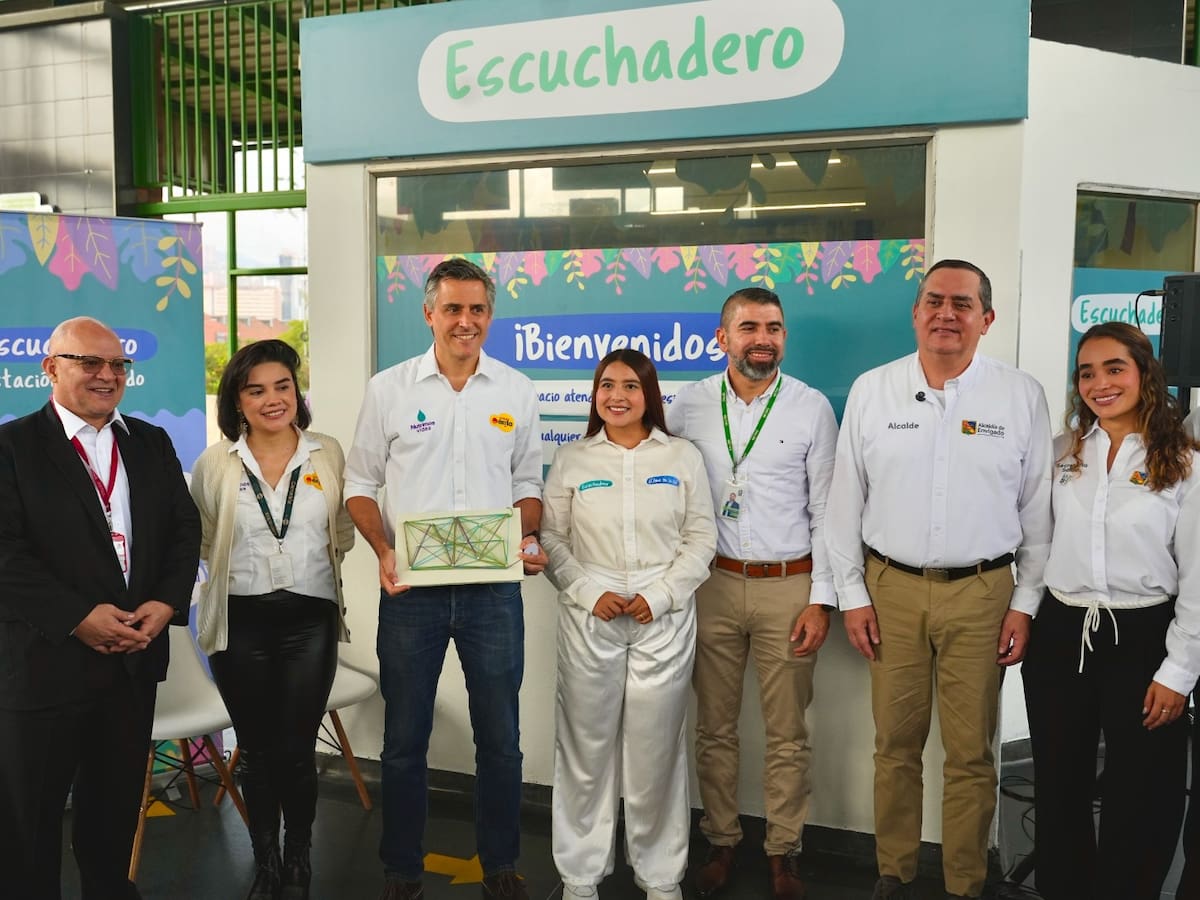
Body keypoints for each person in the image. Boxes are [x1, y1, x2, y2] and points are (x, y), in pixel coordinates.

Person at [826, 259, 1053, 900]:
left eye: (961, 303)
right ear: (916, 312)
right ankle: (893, 874)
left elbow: (1037, 511)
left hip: (985, 593)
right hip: (890, 589)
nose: (946, 314)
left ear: (987, 318)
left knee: (971, 753)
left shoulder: (1020, 395)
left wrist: (1025, 604)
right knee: (894, 744)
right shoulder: (874, 390)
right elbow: (845, 503)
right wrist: (852, 596)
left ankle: (965, 883)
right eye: (933, 301)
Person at [344, 257, 548, 900]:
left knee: (503, 741)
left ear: (491, 315)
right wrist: (381, 548)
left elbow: (527, 486)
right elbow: (359, 484)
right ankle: (402, 869)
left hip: (494, 595)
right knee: (405, 738)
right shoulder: (389, 390)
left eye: (478, 309)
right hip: (412, 595)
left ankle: (501, 865)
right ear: (429, 313)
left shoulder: (516, 390)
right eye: (453, 309)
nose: (466, 321)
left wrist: (526, 535)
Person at [0, 316, 200, 900]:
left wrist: (165, 602)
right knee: (27, 824)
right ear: (51, 368)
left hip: (132, 663)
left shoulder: (150, 442)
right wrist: (77, 616)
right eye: (91, 363)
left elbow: (184, 531)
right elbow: (5, 553)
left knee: (112, 814)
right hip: (43, 667)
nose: (107, 375)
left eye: (118, 365)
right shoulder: (12, 448)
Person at [666, 286, 838, 900]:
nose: (762, 339)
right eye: (748, 328)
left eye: (773, 327)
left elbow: (827, 512)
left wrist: (821, 600)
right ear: (723, 338)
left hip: (787, 587)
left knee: (788, 730)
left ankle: (783, 849)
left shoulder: (811, 407)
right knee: (713, 726)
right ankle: (722, 839)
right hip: (710, 584)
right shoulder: (688, 406)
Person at [1023, 322, 1198, 900]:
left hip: (1146, 632)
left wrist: (1177, 673)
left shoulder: (1185, 461)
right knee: (1058, 779)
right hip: (1063, 630)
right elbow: (1038, 544)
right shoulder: (1062, 452)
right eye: (1087, 372)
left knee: (1143, 788)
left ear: (1145, 373)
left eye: (1114, 368)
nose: (1099, 382)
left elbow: (1198, 578)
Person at [541, 349, 717, 900]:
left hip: (662, 617)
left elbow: (701, 537)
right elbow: (550, 540)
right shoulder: (573, 460)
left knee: (655, 747)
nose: (617, 396)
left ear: (650, 394)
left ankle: (660, 876)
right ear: (595, 394)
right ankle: (580, 876)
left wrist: (661, 595)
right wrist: (589, 592)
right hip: (589, 615)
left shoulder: (682, 456)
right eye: (607, 385)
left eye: (631, 386)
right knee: (585, 749)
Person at [190, 339, 355, 900]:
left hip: (311, 619)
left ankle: (299, 854)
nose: (272, 399)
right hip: (240, 621)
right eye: (256, 390)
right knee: (257, 750)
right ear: (238, 401)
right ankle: (265, 857)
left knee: (295, 746)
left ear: (296, 392)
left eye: (282, 386)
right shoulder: (216, 463)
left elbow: (344, 528)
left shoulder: (327, 453)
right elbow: (204, 538)